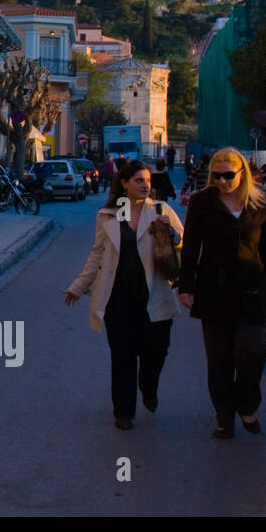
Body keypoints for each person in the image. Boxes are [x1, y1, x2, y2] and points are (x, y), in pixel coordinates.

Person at [64, 160, 184, 430]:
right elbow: (97, 255)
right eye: (139, 180)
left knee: (156, 353)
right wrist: (78, 286)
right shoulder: (109, 215)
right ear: (125, 184)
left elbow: (182, 241)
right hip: (119, 298)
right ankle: (123, 412)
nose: (145, 185)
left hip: (154, 295)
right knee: (122, 355)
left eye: (147, 181)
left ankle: (148, 386)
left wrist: (170, 232)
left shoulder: (160, 210)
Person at [178, 147, 266, 439]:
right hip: (214, 290)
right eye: (217, 175)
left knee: (251, 353)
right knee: (219, 358)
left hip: (252, 290)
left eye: (228, 175)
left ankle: (247, 405)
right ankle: (224, 417)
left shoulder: (261, 204)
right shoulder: (202, 202)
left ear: (242, 174)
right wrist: (186, 287)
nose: (222, 181)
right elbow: (190, 248)